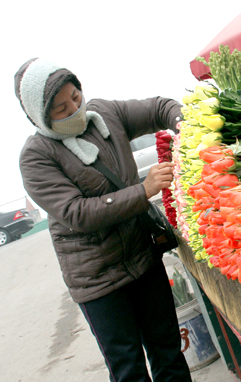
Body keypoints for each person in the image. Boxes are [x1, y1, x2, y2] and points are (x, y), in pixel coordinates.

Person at [14, 58, 192, 382]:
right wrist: (144, 190)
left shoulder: (105, 114)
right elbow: (76, 213)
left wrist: (186, 126)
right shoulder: (36, 157)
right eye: (60, 108)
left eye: (76, 97)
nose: (74, 109)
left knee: (169, 354)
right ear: (37, 115)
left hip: (143, 258)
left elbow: (159, 108)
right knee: (129, 372)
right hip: (99, 282)